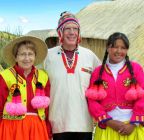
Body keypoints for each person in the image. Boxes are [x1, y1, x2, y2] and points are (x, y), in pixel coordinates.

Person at [44, 11, 101, 140]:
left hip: (84, 123)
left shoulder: (89, 55)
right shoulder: (48, 56)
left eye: (75, 29)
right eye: (67, 29)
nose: (72, 32)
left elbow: (103, 80)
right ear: (60, 32)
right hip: (58, 122)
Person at [86, 32, 144, 140]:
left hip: (132, 128)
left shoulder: (136, 69)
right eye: (115, 47)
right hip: (108, 128)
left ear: (127, 50)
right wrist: (108, 121)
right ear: (108, 48)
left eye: (123, 48)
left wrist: (133, 124)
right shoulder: (98, 73)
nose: (119, 51)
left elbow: (142, 98)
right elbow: (92, 101)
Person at [0, 36, 52, 140]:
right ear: (16, 57)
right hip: (12, 127)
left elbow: (47, 110)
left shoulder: (43, 76)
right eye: (22, 54)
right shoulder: (5, 76)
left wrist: (48, 129)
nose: (27, 58)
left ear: (35, 56)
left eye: (30, 54)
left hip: (37, 127)